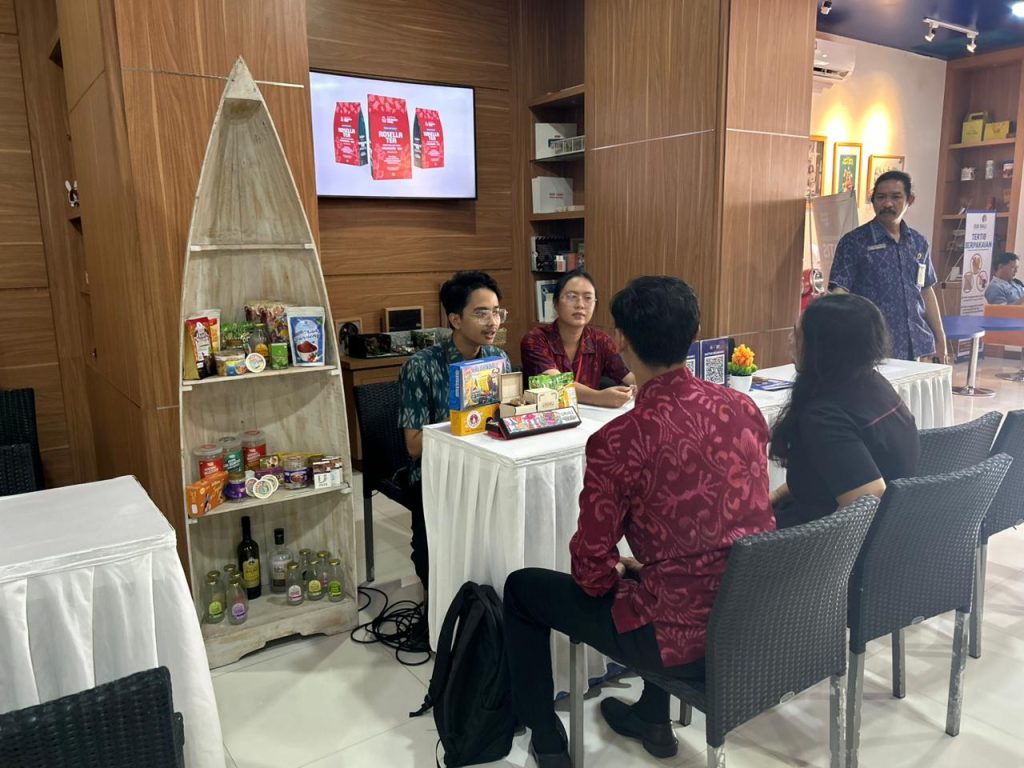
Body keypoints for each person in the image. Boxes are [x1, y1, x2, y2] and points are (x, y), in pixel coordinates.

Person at [502, 276, 774, 767]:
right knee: (659, 570)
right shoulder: (742, 406)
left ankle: (547, 740)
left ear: (622, 340)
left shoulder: (620, 440)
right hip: (755, 614)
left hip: (677, 638)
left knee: (522, 589)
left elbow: (590, 572)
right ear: (695, 334)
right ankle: (652, 717)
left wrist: (623, 571)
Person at [398, 271, 511, 590]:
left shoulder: (498, 358)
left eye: (496, 312)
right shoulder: (421, 366)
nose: (493, 322)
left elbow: (505, 419)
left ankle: (486, 604)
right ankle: (438, 610)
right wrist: (467, 415)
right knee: (433, 556)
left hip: (486, 468)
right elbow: (414, 446)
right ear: (455, 319)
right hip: (436, 475)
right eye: (481, 313)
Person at [769, 293, 920, 529]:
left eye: (797, 334)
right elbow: (837, 469)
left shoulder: (825, 415)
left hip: (825, 537)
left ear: (823, 347)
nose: (790, 340)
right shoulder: (874, 384)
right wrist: (775, 495)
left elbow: (868, 498)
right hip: (892, 525)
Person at [829, 171, 948, 362]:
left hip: (916, 345)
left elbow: (926, 291)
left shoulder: (918, 242)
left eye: (896, 197)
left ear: (910, 200)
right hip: (870, 346)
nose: (887, 204)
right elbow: (839, 291)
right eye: (881, 197)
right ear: (873, 200)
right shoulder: (854, 242)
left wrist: (940, 339)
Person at [520, 269, 636, 407]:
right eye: (572, 296)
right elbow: (554, 384)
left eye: (588, 298)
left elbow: (630, 377)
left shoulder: (601, 341)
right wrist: (599, 397)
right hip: (549, 415)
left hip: (591, 417)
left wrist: (636, 387)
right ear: (556, 303)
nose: (580, 305)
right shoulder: (535, 339)